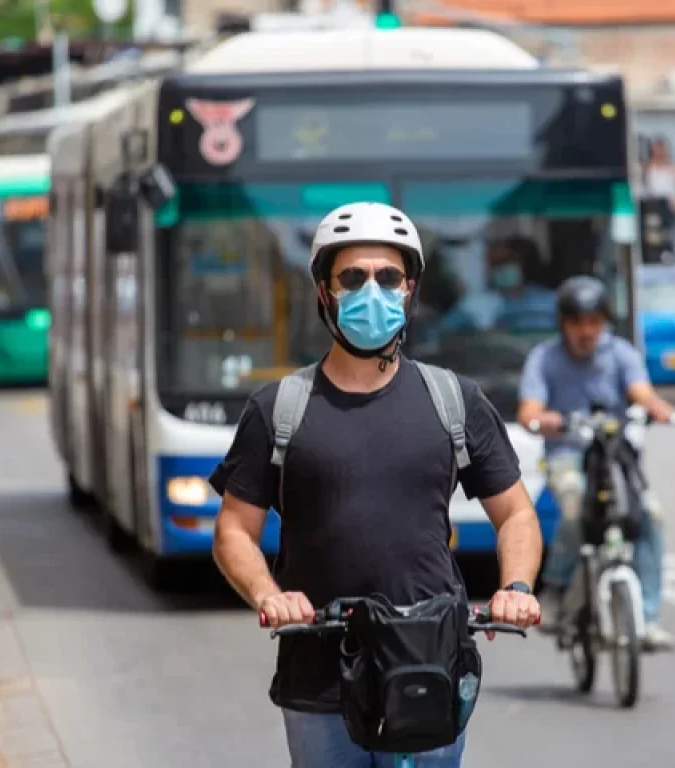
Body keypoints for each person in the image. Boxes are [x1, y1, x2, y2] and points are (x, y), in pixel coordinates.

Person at [209, 201, 543, 768]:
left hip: (429, 666)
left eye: (389, 277)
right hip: (317, 677)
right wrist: (270, 597)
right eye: (354, 277)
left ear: (410, 290)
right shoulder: (278, 409)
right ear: (324, 291)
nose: (373, 291)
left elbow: (516, 515)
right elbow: (234, 532)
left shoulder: (454, 401)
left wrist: (516, 587)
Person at [515, 275, 675, 651]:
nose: (587, 332)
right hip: (568, 456)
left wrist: (655, 408)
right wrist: (549, 420)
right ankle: (555, 592)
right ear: (564, 324)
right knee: (574, 513)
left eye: (594, 322)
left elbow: (641, 392)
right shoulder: (544, 358)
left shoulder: (620, 353)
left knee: (650, 518)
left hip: (615, 455)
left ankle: (648, 620)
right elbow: (529, 411)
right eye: (578, 323)